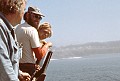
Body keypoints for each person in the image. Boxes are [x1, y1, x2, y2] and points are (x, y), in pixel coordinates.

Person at [15, 6, 52, 76]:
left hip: (17, 67)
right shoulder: (32, 30)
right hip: (28, 69)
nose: (37, 19)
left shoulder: (17, 28)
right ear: (28, 15)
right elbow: (39, 55)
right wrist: (47, 45)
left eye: (39, 17)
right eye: (35, 16)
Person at [0, 0, 31, 81]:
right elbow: (3, 68)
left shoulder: (9, 30)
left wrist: (18, 73)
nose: (24, 13)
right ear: (17, 8)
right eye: (24, 9)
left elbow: (10, 60)